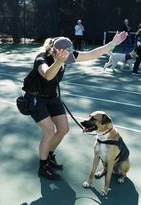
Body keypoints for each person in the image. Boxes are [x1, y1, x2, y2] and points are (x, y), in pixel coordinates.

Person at [28, 32, 127, 180]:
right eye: (66, 55)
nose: (69, 58)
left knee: (63, 129)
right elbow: (48, 75)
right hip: (35, 98)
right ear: (56, 51)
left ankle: (48, 156)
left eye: (70, 53)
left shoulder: (68, 54)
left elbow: (92, 54)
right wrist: (58, 62)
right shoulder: (42, 58)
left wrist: (113, 44)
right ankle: (43, 167)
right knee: (49, 131)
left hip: (52, 97)